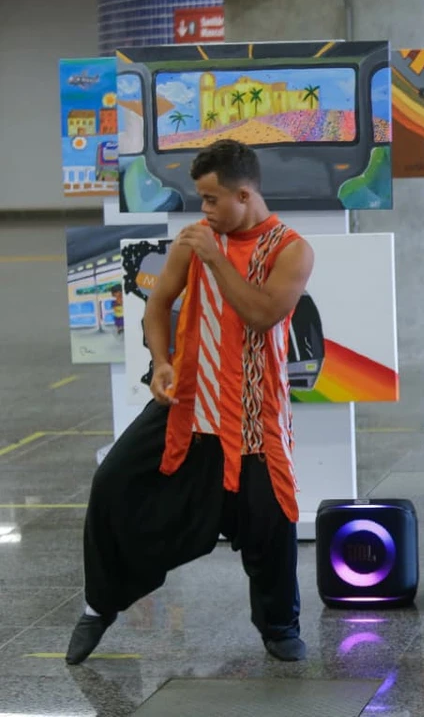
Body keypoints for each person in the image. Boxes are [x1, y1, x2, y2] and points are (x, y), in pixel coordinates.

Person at [66, 139, 315, 665]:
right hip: (188, 403)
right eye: (199, 200)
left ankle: (279, 626)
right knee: (113, 481)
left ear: (244, 195)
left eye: (210, 200)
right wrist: (161, 361)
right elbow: (157, 307)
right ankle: (99, 604)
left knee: (270, 522)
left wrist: (216, 259)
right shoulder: (194, 241)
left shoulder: (292, 249)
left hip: (254, 410)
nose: (202, 211)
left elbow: (262, 314)